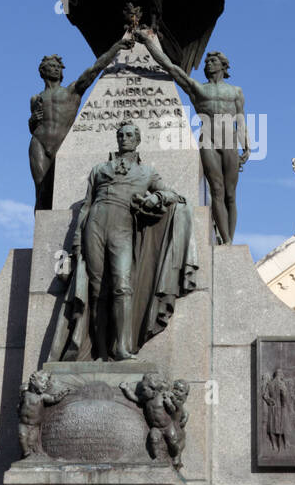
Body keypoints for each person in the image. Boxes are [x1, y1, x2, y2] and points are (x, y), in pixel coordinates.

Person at [54, 121, 196, 362]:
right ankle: (99, 349)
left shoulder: (147, 172)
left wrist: (156, 197)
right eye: (121, 135)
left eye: (130, 135)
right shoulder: (98, 169)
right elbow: (86, 207)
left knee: (122, 285)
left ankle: (121, 346)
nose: (124, 138)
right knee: (97, 290)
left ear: (137, 140)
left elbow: (174, 196)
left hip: (122, 227)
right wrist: (77, 241)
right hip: (95, 224)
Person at [135, 28, 249, 244]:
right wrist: (149, 43)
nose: (208, 64)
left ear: (223, 67)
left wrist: (247, 146)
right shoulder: (197, 88)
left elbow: (240, 119)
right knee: (216, 189)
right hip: (208, 139)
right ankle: (226, 240)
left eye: (213, 61)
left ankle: (231, 240)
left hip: (230, 140)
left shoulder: (236, 91)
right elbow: (170, 68)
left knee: (231, 194)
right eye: (207, 62)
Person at [28, 35, 132, 209]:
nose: (55, 69)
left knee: (58, 189)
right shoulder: (36, 98)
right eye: (51, 67)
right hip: (38, 142)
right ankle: (40, 230)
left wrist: (116, 48)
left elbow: (94, 70)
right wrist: (32, 119)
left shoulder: (72, 91)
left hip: (61, 143)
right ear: (42, 71)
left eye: (57, 67)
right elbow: (33, 127)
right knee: (41, 190)